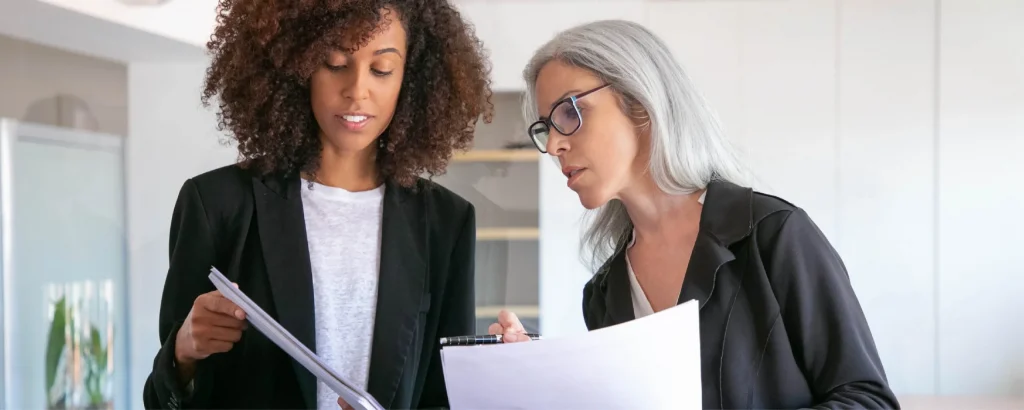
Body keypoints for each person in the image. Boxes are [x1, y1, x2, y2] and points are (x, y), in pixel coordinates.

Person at [489, 20, 901, 409]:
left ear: (640, 104)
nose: (555, 145)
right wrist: (537, 373)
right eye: (546, 127)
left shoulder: (774, 236)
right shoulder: (603, 294)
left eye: (568, 113)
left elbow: (868, 399)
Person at [141, 1, 493, 409]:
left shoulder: (445, 223)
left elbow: (444, 397)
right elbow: (160, 399)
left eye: (381, 70)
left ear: (410, 79)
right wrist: (184, 350)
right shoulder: (217, 205)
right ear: (298, 66)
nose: (357, 90)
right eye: (335, 63)